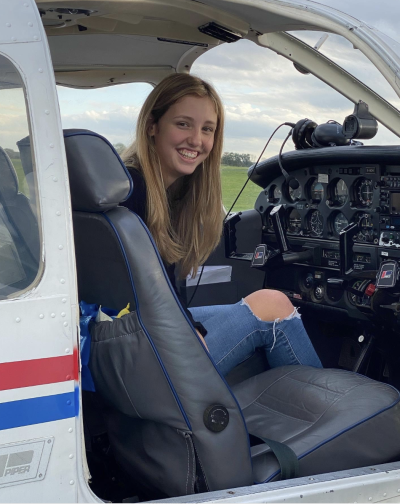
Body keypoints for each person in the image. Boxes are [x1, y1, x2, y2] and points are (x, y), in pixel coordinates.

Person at [121, 73, 322, 376]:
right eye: (183, 124)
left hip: (134, 335)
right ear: (152, 125)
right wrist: (188, 332)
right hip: (144, 355)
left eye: (207, 129)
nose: (196, 140)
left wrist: (189, 326)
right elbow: (142, 291)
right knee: (274, 309)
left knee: (271, 301)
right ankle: (325, 408)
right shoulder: (137, 193)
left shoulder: (151, 189)